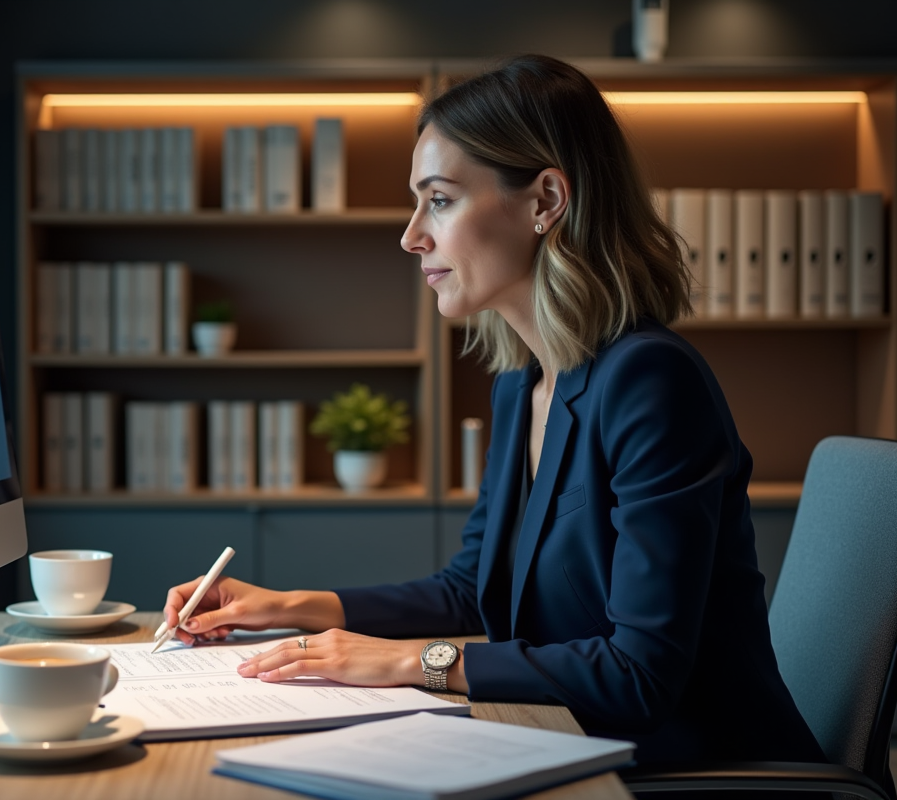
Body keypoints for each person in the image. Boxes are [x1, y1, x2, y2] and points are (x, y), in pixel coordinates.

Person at [162, 54, 825, 765]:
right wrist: (287, 607)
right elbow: (470, 591)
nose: (412, 235)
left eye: (440, 200)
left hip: (700, 770)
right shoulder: (522, 385)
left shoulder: (651, 381)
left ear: (546, 201)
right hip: (571, 745)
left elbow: (639, 675)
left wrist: (406, 661)